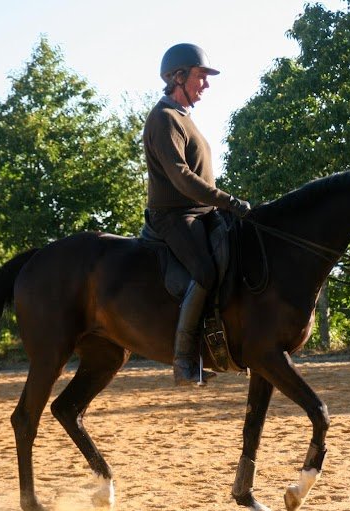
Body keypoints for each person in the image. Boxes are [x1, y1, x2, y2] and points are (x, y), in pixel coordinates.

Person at [143, 43, 251, 386]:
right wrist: (227, 200)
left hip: (201, 211)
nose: (206, 84)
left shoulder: (184, 118)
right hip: (174, 216)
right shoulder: (163, 118)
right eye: (200, 77)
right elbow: (182, 178)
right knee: (205, 271)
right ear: (178, 77)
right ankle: (184, 360)